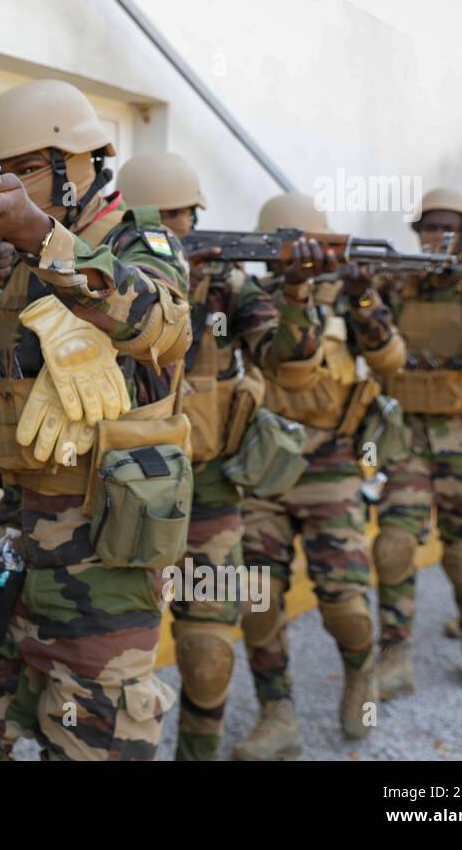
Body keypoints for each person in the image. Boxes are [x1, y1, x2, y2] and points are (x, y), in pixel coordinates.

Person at [0, 80, 193, 760]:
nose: (8, 188)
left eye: (26, 171)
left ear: (80, 165)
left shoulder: (139, 238)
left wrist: (40, 237)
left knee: (93, 738)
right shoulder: (5, 256)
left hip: (104, 540)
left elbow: (156, 321)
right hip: (14, 533)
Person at [117, 153, 324, 760]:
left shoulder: (230, 287)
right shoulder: (99, 282)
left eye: (188, 217)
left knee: (208, 648)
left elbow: (289, 363)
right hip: (120, 489)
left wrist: (298, 290)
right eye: (168, 219)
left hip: (208, 487)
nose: (179, 230)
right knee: (110, 651)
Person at [232, 193, 405, 760]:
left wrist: (364, 301)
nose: (301, 258)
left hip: (330, 463)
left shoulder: (348, 298)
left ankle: (362, 672)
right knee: (258, 599)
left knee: (345, 602)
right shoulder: (249, 298)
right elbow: (278, 361)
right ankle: (276, 714)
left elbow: (388, 361)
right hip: (263, 466)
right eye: (288, 248)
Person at [373, 188, 462, 696]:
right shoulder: (397, 287)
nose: (437, 237)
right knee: (392, 544)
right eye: (428, 228)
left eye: (448, 228)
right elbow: (376, 351)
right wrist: (362, 296)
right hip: (409, 433)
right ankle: (394, 652)